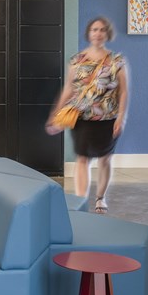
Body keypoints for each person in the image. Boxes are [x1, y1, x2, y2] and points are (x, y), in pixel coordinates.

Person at [46, 16, 129, 214]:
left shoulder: (117, 61)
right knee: (82, 159)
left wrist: (121, 117)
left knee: (105, 159)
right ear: (88, 33)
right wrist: (55, 114)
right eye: (94, 29)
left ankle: (101, 198)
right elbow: (68, 89)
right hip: (81, 118)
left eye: (101, 30)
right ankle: (81, 201)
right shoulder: (77, 60)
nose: (98, 33)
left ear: (107, 33)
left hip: (107, 119)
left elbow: (124, 91)